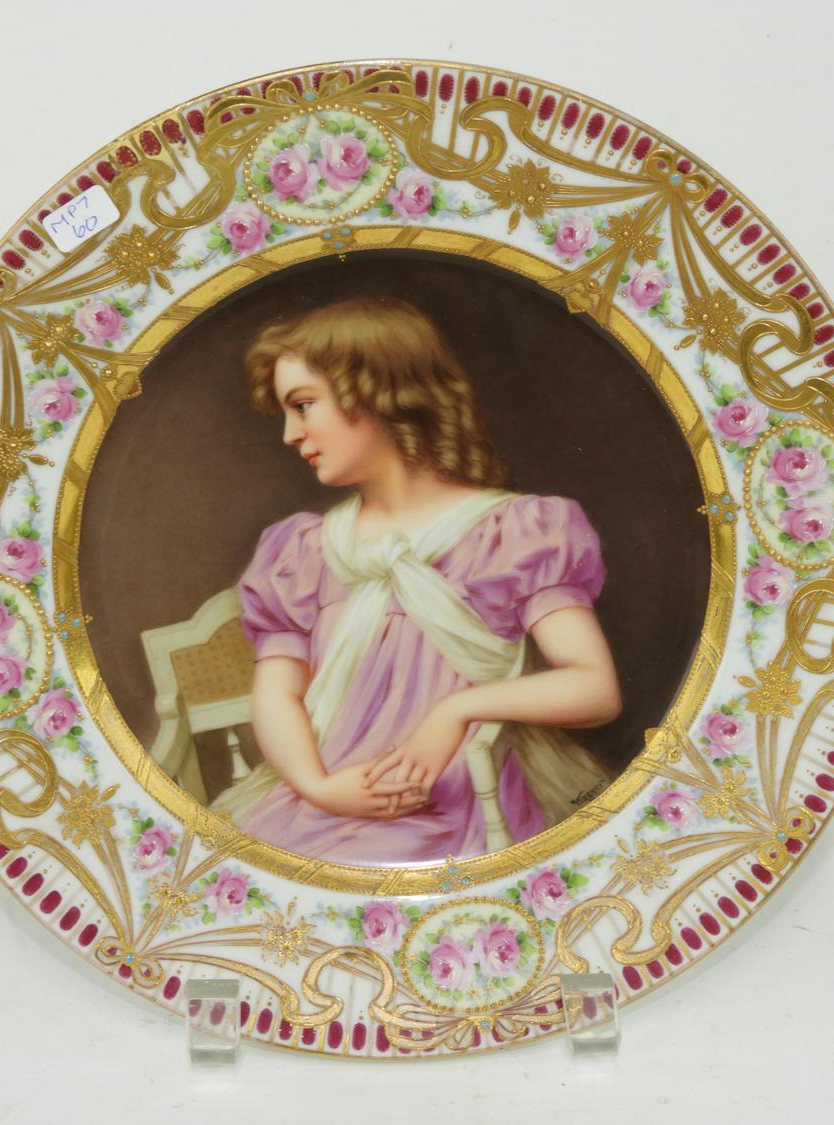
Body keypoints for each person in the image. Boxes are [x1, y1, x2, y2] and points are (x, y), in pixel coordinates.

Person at [209, 296, 622, 865]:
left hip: (459, 800)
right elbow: (278, 693)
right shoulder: (300, 551)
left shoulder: (511, 531)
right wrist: (319, 787)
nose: (289, 434)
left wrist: (456, 710)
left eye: (303, 406)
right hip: (330, 796)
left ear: (376, 392)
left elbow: (596, 689)